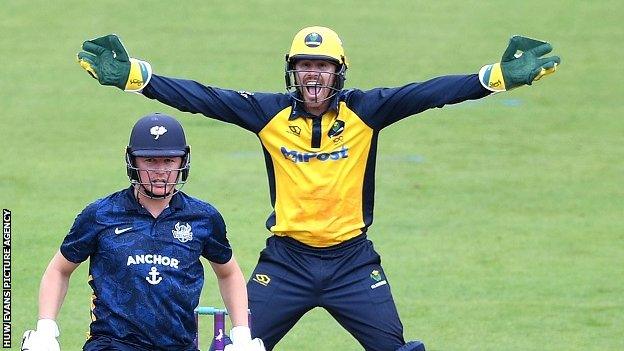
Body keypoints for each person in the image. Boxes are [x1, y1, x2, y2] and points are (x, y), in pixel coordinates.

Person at [76, 27, 560, 351]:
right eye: (305, 66)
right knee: (238, 348)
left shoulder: (366, 112)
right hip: (286, 263)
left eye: (323, 66)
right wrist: (137, 78)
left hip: (353, 263)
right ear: (293, 72)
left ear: (339, 72)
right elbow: (205, 98)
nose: (314, 75)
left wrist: (495, 78)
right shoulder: (268, 115)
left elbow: (431, 93)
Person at [21, 114, 264, 351]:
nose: (160, 171)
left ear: (182, 162)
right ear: (133, 162)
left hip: (178, 345)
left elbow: (229, 273)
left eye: (169, 161)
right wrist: (45, 330)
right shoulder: (101, 214)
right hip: (112, 343)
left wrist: (242, 335)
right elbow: (59, 270)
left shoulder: (203, 218)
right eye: (149, 160)